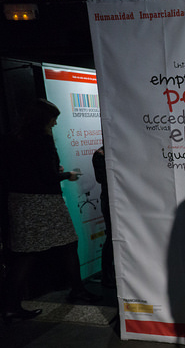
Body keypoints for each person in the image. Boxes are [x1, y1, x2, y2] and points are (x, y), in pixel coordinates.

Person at [2, 99, 101, 324]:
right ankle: (76, 290)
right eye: (53, 119)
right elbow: (46, 177)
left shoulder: (10, 139)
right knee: (67, 244)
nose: (55, 123)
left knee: (26, 252)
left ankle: (10, 305)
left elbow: (21, 172)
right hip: (44, 202)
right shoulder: (42, 141)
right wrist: (66, 175)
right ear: (43, 119)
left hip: (19, 202)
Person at [92, 146, 116, 288]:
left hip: (121, 199)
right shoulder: (100, 155)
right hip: (110, 199)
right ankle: (107, 276)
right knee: (112, 237)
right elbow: (100, 178)